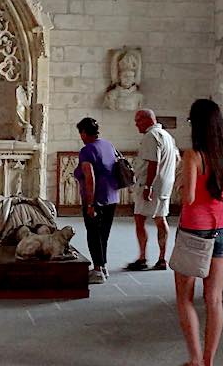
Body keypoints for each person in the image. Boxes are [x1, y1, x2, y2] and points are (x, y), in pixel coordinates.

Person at [171, 99, 223, 366]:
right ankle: (209, 364)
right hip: (221, 229)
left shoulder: (194, 156)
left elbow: (189, 198)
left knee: (185, 298)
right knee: (214, 299)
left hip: (194, 230)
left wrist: (181, 185)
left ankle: (194, 361)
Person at [126, 108, 178, 271]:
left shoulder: (151, 136)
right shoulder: (167, 136)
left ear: (148, 120)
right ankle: (162, 258)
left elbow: (153, 163)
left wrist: (148, 186)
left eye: (138, 121)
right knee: (160, 219)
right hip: (165, 183)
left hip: (151, 184)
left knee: (139, 218)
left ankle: (142, 257)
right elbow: (177, 159)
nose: (136, 125)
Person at [75, 116, 120, 284]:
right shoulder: (108, 145)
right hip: (112, 196)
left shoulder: (87, 150)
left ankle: (97, 270)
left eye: (81, 133)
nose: (81, 136)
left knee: (93, 234)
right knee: (103, 235)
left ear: (85, 132)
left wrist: (90, 203)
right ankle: (103, 266)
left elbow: (89, 178)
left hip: (97, 199)